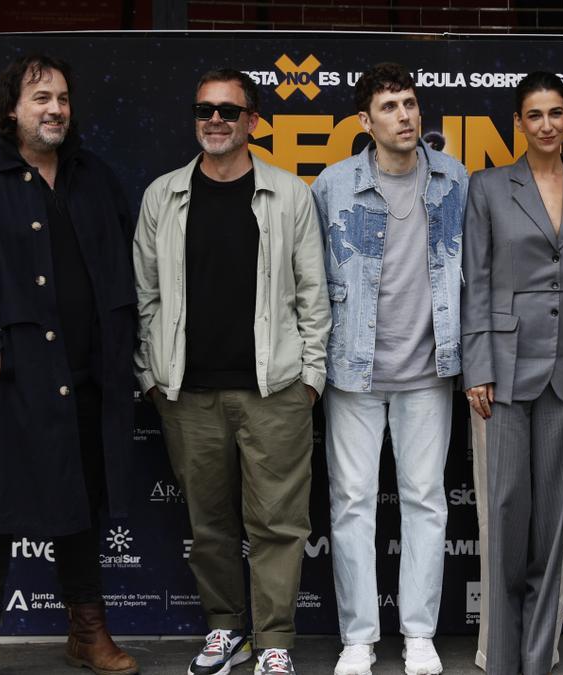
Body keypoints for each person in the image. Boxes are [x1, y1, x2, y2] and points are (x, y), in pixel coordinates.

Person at [0, 54, 138, 675]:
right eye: (41, 98)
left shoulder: (95, 179)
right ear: (11, 109)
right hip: (11, 382)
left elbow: (126, 268)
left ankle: (87, 633)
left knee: (80, 505)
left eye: (63, 98)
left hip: (89, 377)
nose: (55, 109)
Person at [133, 69, 329, 675]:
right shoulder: (161, 196)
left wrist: (312, 378)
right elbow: (146, 298)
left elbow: (312, 296)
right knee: (209, 526)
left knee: (277, 524)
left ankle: (274, 643)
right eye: (203, 109)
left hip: (275, 392)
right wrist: (152, 376)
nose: (214, 119)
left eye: (228, 109)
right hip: (187, 394)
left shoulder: (289, 193)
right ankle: (225, 631)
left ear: (252, 122)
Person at [311, 62, 467, 675]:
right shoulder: (333, 185)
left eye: (410, 103)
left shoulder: (455, 180)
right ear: (364, 122)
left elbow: (475, 273)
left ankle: (419, 634)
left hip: (429, 370)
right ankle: (359, 638)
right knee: (351, 503)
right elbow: (313, 280)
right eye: (390, 107)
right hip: (353, 372)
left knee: (426, 500)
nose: (405, 115)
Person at [460, 71, 563, 675]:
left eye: (556, 113)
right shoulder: (489, 187)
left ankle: (538, 655)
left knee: (555, 523)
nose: (546, 124)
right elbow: (473, 277)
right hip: (500, 369)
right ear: (518, 124)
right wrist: (476, 363)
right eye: (534, 115)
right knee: (503, 513)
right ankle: (499, 656)